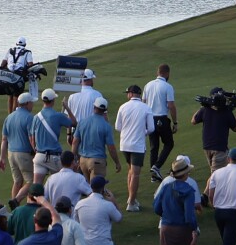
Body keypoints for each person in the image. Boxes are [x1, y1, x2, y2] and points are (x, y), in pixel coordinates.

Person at [152, 157, 199, 245]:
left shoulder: (166, 187)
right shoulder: (188, 190)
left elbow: (156, 208)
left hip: (166, 226)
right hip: (183, 227)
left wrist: (166, 216)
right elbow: (189, 216)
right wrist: (194, 230)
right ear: (185, 174)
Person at [113, 84, 153, 212]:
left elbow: (117, 127)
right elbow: (151, 128)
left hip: (124, 144)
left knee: (130, 170)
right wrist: (143, 132)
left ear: (131, 94)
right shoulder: (146, 108)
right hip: (138, 145)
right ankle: (131, 202)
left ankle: (131, 198)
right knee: (135, 174)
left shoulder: (123, 107)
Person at [29, 90, 75, 186]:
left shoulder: (36, 117)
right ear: (53, 100)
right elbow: (74, 123)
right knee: (60, 185)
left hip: (40, 156)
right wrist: (67, 108)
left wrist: (36, 151)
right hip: (54, 157)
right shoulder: (58, 115)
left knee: (36, 187)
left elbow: (32, 139)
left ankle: (31, 201)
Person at [190, 89, 236, 171]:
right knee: (216, 175)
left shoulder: (205, 110)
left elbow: (193, 121)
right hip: (219, 148)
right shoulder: (226, 112)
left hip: (207, 146)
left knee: (215, 172)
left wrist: (204, 106)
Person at [73, 98, 122, 181]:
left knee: (88, 189)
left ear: (94, 107)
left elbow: (75, 142)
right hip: (97, 161)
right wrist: (117, 162)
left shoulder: (82, 122)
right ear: (105, 110)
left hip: (83, 161)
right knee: (96, 190)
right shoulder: (106, 126)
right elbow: (111, 148)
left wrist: (74, 159)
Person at [143, 65, 177, 181]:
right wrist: (175, 122)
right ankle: (156, 167)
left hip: (149, 119)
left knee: (154, 147)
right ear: (167, 73)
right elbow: (171, 106)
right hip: (161, 118)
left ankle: (154, 176)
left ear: (158, 72)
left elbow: (143, 103)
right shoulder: (168, 86)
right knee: (169, 143)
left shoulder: (148, 85)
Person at [1, 93, 36, 202]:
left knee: (17, 181)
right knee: (31, 182)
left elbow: (4, 139)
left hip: (11, 153)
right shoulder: (29, 118)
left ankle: (14, 210)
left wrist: (2, 157)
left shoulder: (9, 117)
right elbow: (32, 138)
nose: (32, 105)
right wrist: (36, 151)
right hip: (24, 154)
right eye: (31, 103)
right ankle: (16, 201)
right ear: (26, 104)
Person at [6, 37, 38, 105]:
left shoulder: (10, 50)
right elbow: (30, 65)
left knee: (10, 96)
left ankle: (10, 115)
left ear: (16, 44)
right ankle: (14, 115)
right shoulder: (27, 52)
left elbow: (3, 63)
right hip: (18, 75)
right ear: (25, 44)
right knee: (16, 96)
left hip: (8, 74)